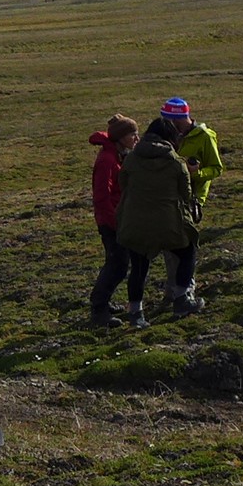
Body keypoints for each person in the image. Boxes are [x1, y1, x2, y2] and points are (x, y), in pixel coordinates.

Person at [116, 112, 200, 326]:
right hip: (168, 224)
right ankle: (181, 299)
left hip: (135, 223)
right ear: (171, 138)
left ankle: (136, 313)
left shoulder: (131, 159)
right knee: (188, 250)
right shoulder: (175, 163)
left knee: (139, 267)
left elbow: (122, 184)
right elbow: (186, 194)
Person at [160, 98, 221, 311]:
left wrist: (197, 173)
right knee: (170, 246)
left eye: (171, 120)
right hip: (169, 197)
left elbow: (216, 168)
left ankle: (186, 292)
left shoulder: (204, 137)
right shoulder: (167, 135)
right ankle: (173, 290)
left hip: (191, 200)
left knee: (187, 246)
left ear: (181, 119)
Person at [87, 114, 141, 327]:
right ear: (121, 138)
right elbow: (101, 197)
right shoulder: (108, 160)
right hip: (111, 222)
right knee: (117, 264)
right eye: (132, 134)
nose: (137, 138)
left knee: (117, 263)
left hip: (116, 219)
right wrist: (114, 222)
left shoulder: (116, 155)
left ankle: (101, 303)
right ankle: (99, 308)